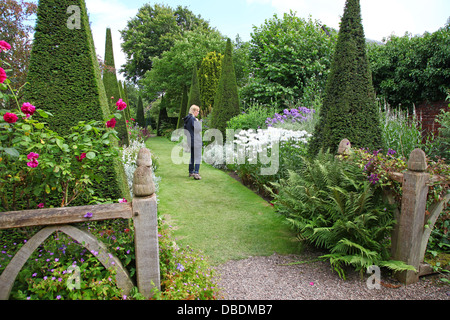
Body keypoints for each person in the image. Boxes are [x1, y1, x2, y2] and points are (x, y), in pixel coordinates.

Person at [183, 105, 202, 180]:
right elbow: (199, 129)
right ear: (194, 111)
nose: (198, 113)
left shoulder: (187, 119)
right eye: (197, 111)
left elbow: (185, 132)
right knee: (198, 157)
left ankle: (191, 171)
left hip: (190, 140)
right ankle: (196, 173)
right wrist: (197, 122)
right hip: (196, 140)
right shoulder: (193, 119)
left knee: (192, 156)